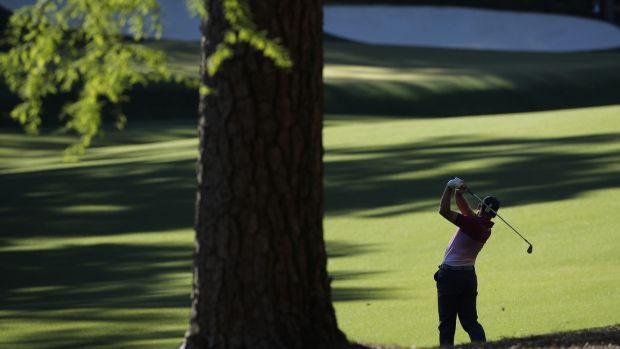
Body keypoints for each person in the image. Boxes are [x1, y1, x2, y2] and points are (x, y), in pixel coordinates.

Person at [434, 177, 500, 347]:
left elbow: (443, 210)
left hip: (450, 276)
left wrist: (449, 187)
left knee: (447, 325)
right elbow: (464, 209)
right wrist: (458, 191)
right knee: (471, 323)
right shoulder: (485, 228)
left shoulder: (472, 223)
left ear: (479, 206)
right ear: (494, 215)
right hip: (468, 277)